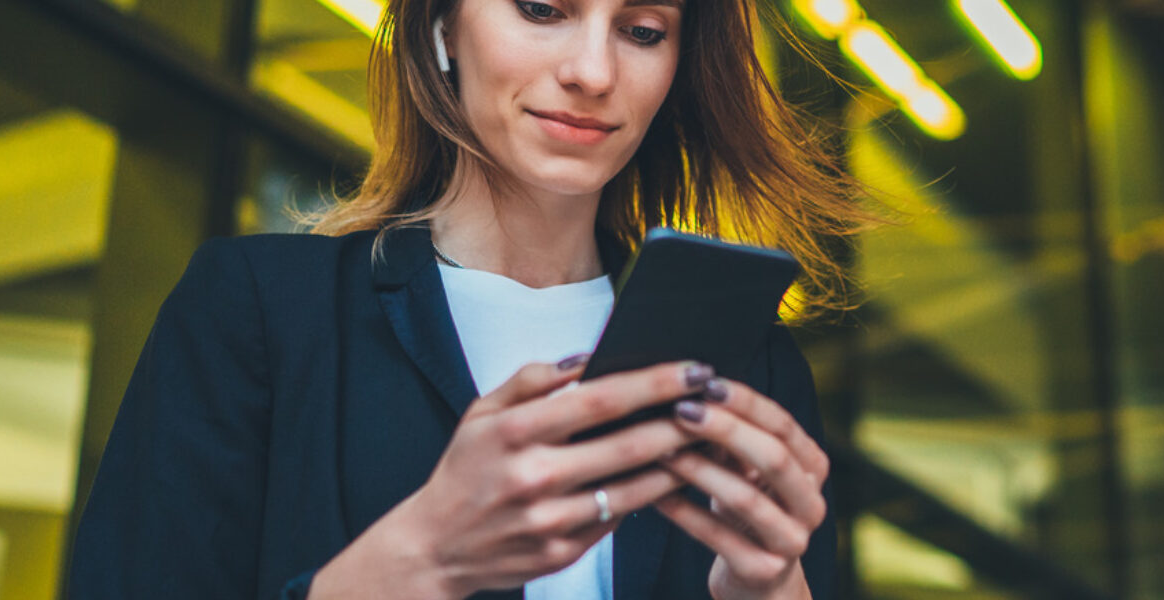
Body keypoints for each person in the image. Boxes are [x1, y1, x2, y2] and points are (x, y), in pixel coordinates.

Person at [67, 0, 874, 598]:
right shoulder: (258, 311)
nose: (593, 72)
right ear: (440, 28)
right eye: (542, 9)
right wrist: (426, 554)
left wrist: (772, 592)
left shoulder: (747, 369)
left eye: (642, 31)